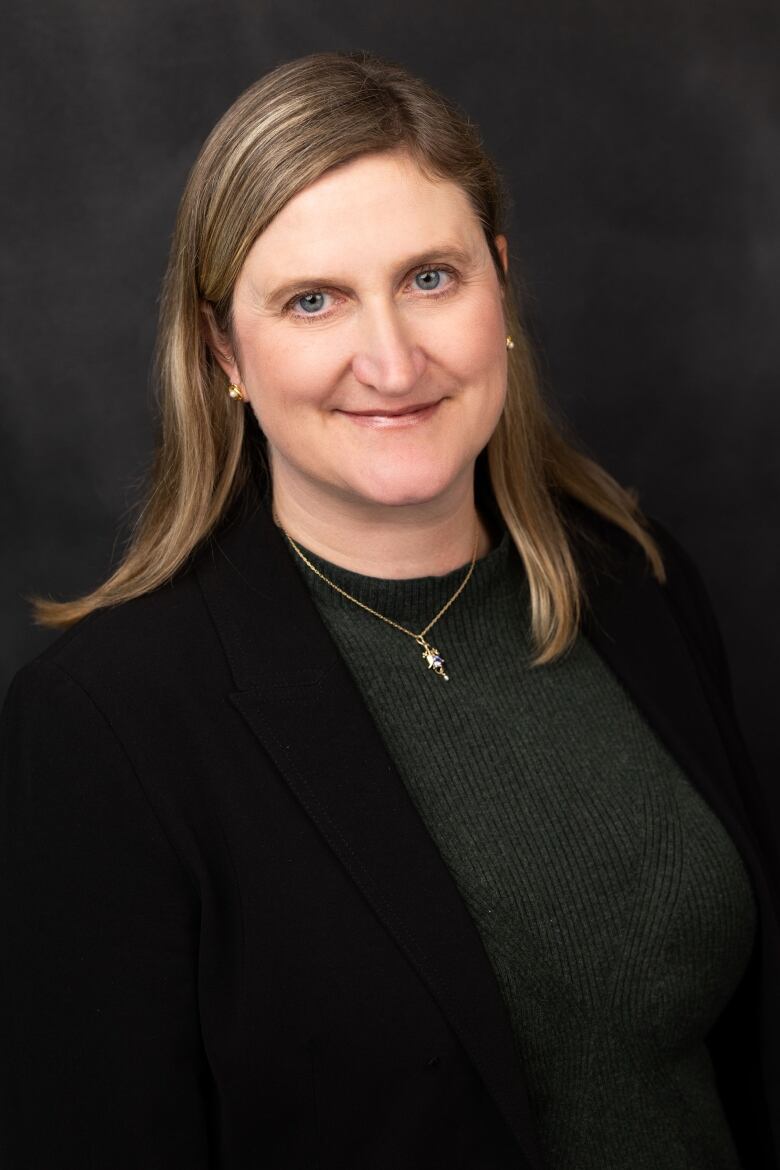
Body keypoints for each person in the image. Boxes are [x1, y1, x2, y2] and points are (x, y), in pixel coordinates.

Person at [0, 47, 777, 1170]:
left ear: (499, 283)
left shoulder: (634, 582)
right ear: (225, 349)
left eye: (429, 278)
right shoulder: (103, 728)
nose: (390, 358)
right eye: (313, 300)